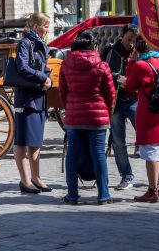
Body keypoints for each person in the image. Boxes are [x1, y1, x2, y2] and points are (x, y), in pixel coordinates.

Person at [59, 30, 116, 205]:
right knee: (98, 154)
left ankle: (72, 195)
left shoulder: (66, 64)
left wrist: (68, 108)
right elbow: (110, 94)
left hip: (74, 118)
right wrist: (108, 111)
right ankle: (104, 195)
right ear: (94, 46)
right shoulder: (103, 66)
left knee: (72, 156)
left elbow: (62, 92)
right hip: (97, 118)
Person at [126, 36, 159, 203]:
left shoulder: (140, 65)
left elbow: (131, 86)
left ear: (137, 49)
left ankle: (152, 191)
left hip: (148, 111)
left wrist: (131, 62)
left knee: (151, 153)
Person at [12, 12, 53, 194]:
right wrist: (42, 77)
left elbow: (41, 67)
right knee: (22, 140)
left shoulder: (40, 44)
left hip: (38, 97)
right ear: (36, 26)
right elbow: (22, 67)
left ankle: (36, 177)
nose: (47, 29)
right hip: (26, 98)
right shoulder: (25, 43)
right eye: (45, 26)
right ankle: (25, 180)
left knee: (35, 140)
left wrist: (48, 78)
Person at [100, 24, 138, 190]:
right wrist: (117, 77)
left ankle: (156, 175)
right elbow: (102, 70)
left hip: (134, 100)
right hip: (115, 102)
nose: (131, 44)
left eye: (134, 41)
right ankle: (126, 176)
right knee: (118, 142)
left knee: (147, 137)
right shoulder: (110, 51)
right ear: (122, 35)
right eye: (128, 39)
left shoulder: (138, 52)